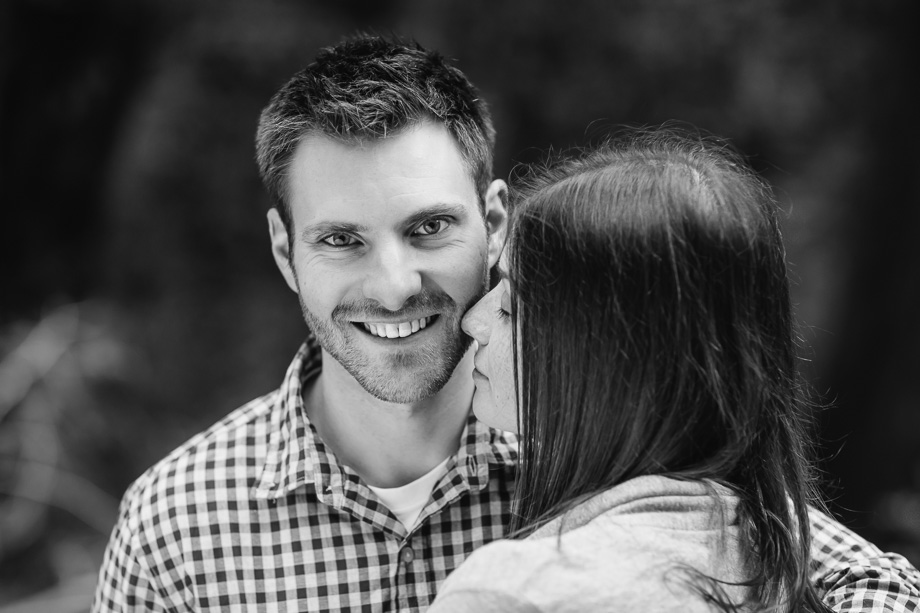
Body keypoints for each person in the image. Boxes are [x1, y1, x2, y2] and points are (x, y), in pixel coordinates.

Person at [92, 36, 920, 611]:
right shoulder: (177, 522)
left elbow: (869, 583)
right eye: (342, 240)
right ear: (284, 250)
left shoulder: (597, 436)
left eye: (429, 229)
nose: (394, 285)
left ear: (496, 221)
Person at [430, 129, 920, 612]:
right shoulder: (777, 556)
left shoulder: (516, 591)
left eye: (511, 308)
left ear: (608, 356)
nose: (475, 321)